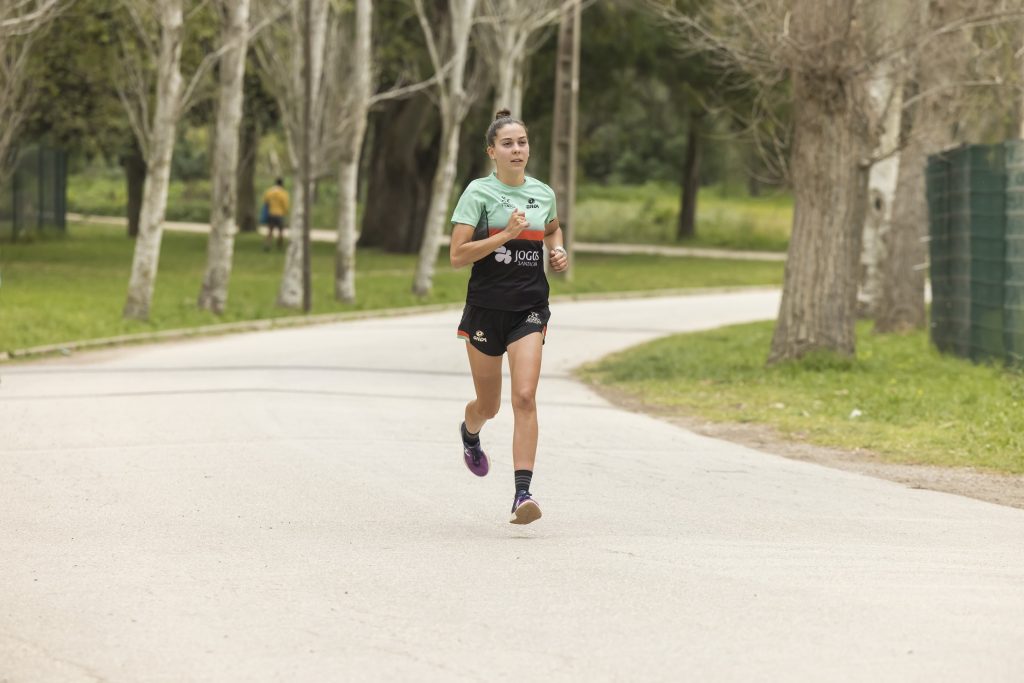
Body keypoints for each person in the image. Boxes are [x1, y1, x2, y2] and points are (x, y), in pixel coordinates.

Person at [449, 108, 569, 525]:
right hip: (485, 308)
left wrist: (557, 249)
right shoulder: (478, 194)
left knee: (524, 397)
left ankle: (522, 494)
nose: (517, 149)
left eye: (522, 142)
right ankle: (470, 433)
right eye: (507, 143)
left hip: (529, 307)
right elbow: (457, 256)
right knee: (490, 404)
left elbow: (552, 227)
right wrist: (504, 235)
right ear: (492, 152)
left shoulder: (543, 193)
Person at [262, 178, 290, 251]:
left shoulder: (269, 191)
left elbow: (265, 200)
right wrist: (286, 212)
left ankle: (267, 244)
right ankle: (280, 246)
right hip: (279, 214)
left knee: (270, 230)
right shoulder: (283, 193)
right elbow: (285, 204)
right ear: (282, 184)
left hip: (271, 213)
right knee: (281, 231)